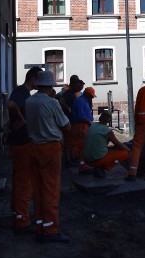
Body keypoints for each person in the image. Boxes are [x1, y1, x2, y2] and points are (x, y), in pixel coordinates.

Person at [26, 70, 71, 243]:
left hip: (33, 146)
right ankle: (51, 230)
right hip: (50, 147)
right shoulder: (52, 103)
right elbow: (66, 126)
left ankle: (40, 226)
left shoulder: (29, 101)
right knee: (51, 189)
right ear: (50, 86)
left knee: (37, 188)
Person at [5, 66, 41, 234]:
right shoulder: (21, 93)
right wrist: (21, 119)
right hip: (21, 143)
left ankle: (17, 215)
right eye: (39, 79)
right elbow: (11, 104)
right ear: (33, 78)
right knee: (24, 183)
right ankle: (21, 219)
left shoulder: (23, 93)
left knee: (20, 181)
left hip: (19, 143)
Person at [81, 110, 129, 178]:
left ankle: (86, 166)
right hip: (97, 160)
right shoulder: (107, 131)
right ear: (109, 120)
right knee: (125, 154)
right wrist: (129, 150)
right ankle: (103, 168)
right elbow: (118, 144)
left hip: (87, 160)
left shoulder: (92, 126)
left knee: (109, 150)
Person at [69, 86, 96, 161]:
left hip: (83, 125)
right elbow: (81, 116)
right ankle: (81, 163)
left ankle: (81, 162)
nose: (92, 98)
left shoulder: (84, 100)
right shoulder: (80, 101)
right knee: (81, 145)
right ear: (87, 94)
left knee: (82, 144)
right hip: (80, 126)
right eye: (91, 96)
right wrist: (90, 122)